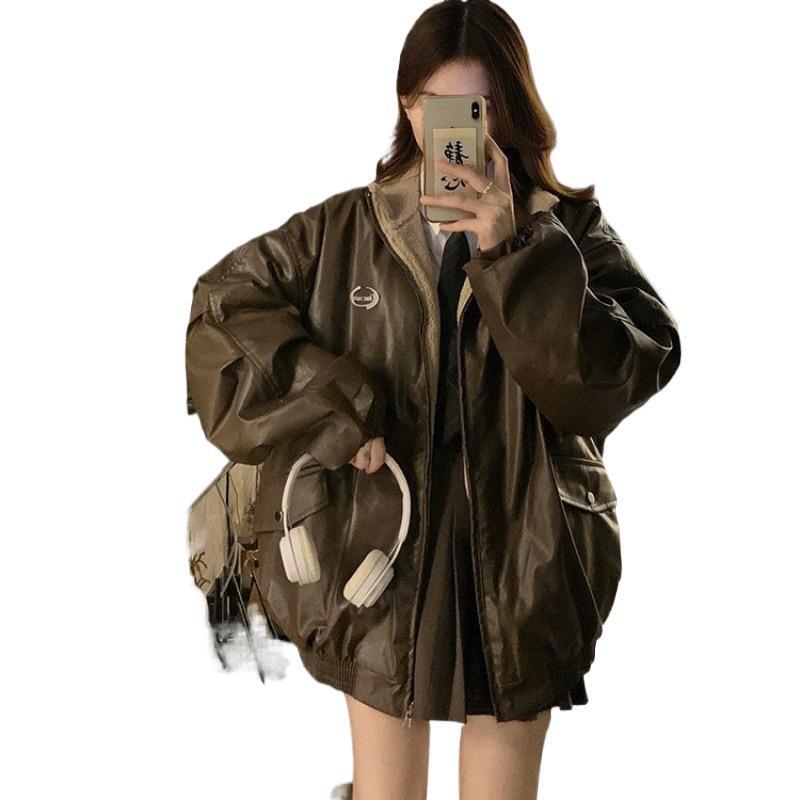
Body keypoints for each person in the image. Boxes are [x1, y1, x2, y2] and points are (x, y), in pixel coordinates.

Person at [184, 2, 681, 798]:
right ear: (407, 106)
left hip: (524, 542)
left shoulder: (568, 233)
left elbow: (618, 376)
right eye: (432, 104)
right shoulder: (342, 231)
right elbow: (223, 311)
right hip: (380, 533)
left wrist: (513, 252)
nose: (451, 128)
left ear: (507, 110)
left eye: (474, 107)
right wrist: (338, 408)